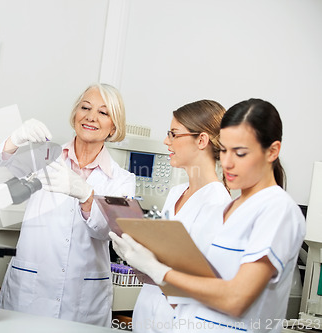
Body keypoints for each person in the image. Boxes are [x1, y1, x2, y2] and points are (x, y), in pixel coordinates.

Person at [111, 98, 306, 332]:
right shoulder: (231, 209)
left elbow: (236, 300)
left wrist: (160, 271)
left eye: (240, 152)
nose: (228, 162)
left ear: (272, 151)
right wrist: (143, 260)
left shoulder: (277, 209)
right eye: (224, 150)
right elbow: (194, 292)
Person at [0, 83, 136, 327]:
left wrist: (87, 196)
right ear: (75, 114)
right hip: (30, 291)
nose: (91, 117)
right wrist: (13, 141)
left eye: (103, 112)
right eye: (85, 107)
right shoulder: (43, 158)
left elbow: (108, 232)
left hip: (84, 300)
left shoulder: (123, 180)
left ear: (114, 126)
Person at [131, 100, 231, 332]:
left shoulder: (217, 202)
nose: (167, 141)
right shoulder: (176, 193)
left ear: (202, 140)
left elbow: (202, 282)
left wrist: (154, 264)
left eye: (174, 134)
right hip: (147, 314)